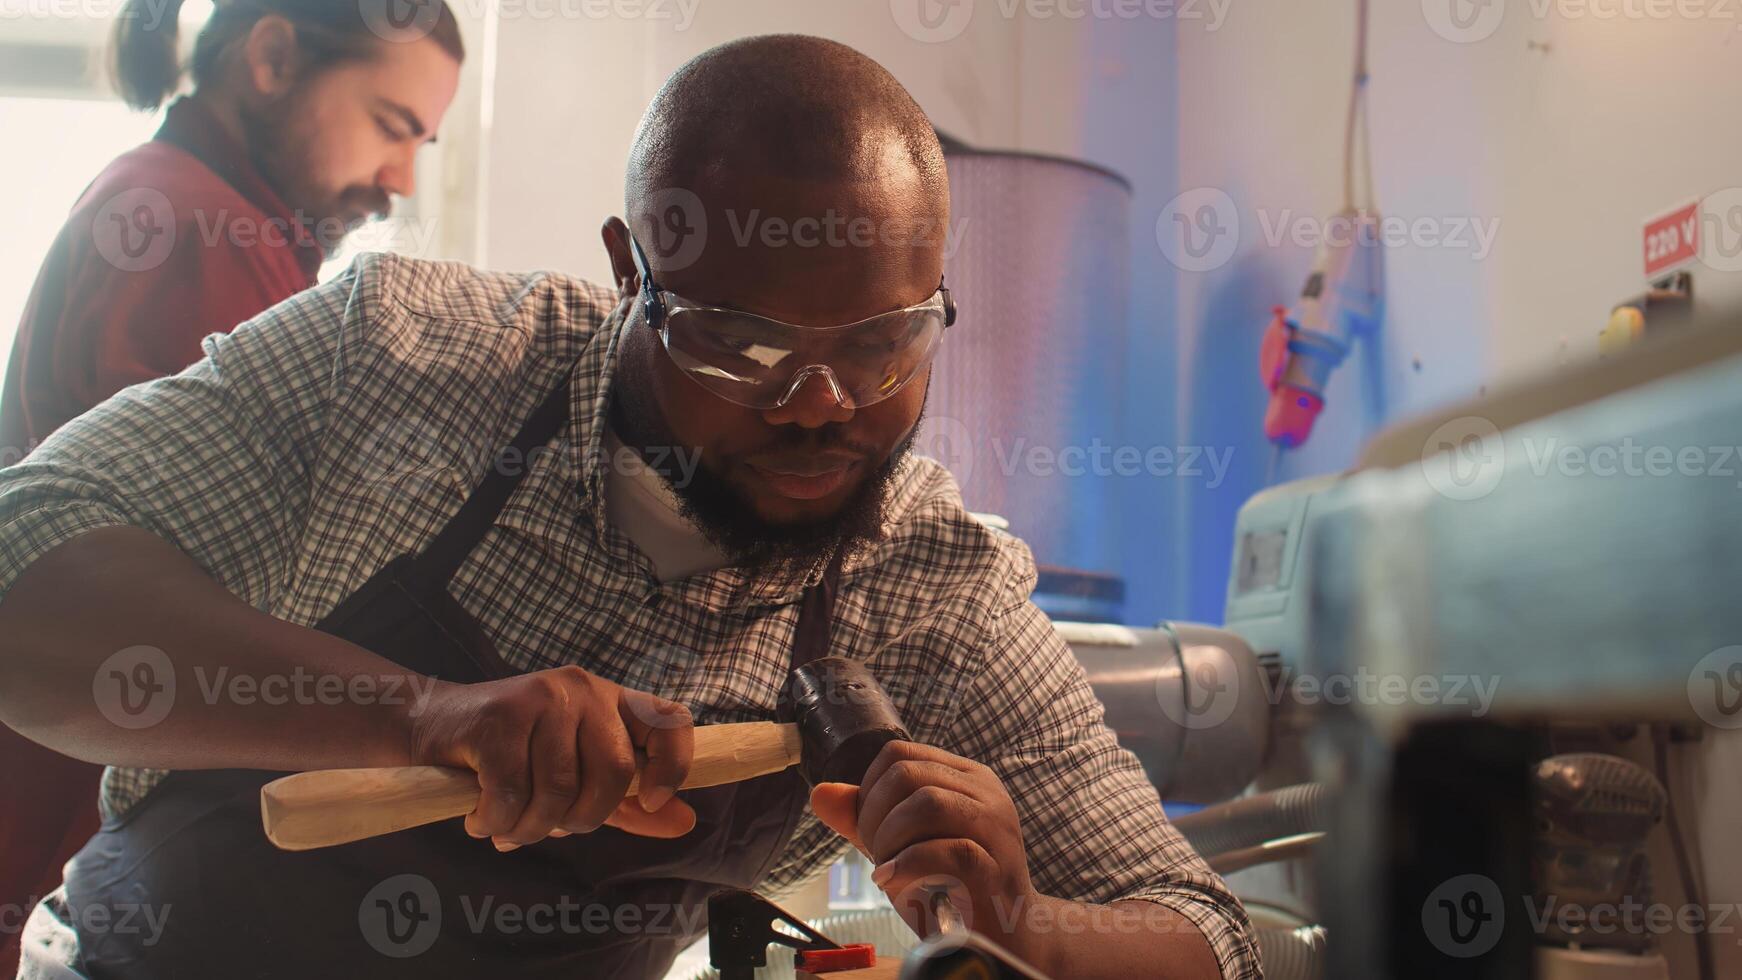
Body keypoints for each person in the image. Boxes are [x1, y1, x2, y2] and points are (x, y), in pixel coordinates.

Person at [0, 35, 1260, 980]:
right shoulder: (400, 361)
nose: (821, 405)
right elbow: (22, 568)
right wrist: (423, 713)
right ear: (629, 275)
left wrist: (1025, 920)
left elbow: (1209, 931)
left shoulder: (927, 585)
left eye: (882, 346)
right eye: (744, 344)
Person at [0, 0, 462, 971]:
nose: (400, 179)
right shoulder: (190, 230)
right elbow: (213, 582)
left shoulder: (197, 215)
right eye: (390, 124)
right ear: (273, 57)